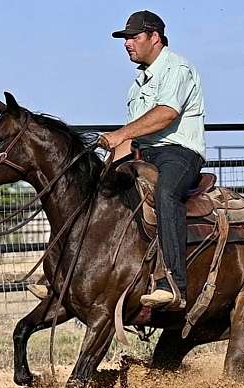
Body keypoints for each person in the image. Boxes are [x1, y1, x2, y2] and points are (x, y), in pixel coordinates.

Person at [100, 10, 206, 309]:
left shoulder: (177, 69)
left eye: (133, 37)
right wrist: (106, 170)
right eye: (126, 39)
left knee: (167, 194)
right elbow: (130, 139)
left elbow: (166, 114)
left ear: (155, 37)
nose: (127, 44)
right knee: (102, 193)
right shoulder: (138, 84)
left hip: (179, 153)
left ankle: (173, 284)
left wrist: (119, 134)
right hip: (144, 154)